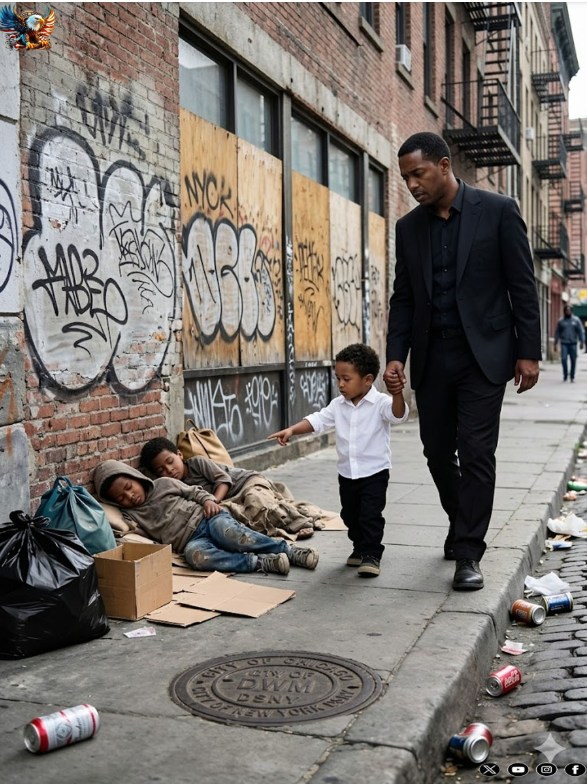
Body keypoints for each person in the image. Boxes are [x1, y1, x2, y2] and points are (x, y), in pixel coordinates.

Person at [383, 132, 541, 591]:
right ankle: (461, 518)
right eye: (406, 178)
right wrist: (396, 356)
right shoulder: (408, 228)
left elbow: (522, 286)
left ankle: (469, 551)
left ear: (444, 165)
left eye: (418, 174)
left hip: (483, 357)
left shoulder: (499, 211)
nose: (412, 184)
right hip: (433, 357)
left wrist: (528, 352)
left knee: (476, 452)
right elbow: (403, 298)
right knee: (436, 451)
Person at [268, 343, 408, 578]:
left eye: (346, 379)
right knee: (350, 515)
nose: (341, 384)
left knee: (370, 515)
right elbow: (317, 421)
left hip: (375, 473)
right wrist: (292, 430)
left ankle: (371, 554)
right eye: (338, 378)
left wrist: (397, 394)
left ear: (367, 380)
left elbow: (397, 415)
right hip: (347, 473)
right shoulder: (338, 405)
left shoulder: (381, 403)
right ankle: (358, 547)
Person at [93, 459, 319, 576]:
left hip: (208, 519)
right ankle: (261, 563)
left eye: (128, 487)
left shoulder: (164, 484)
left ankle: (288, 551)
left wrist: (209, 501)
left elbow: (195, 492)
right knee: (196, 557)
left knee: (232, 535)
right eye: (120, 498)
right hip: (190, 541)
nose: (129, 496)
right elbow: (128, 529)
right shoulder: (131, 514)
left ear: (135, 477)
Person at [139, 438, 320, 539]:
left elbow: (224, 480)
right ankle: (281, 523)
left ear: (179, 454)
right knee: (238, 520)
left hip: (246, 483)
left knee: (256, 501)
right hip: (231, 501)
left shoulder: (197, 463)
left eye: (170, 461)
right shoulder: (175, 485)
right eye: (161, 470)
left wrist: (215, 501)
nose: (169, 470)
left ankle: (299, 522)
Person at [554, 304, 585, 382]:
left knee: (573, 360)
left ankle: (572, 376)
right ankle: (565, 374)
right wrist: (555, 343)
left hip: (573, 343)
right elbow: (557, 333)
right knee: (564, 359)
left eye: (569, 310)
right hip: (564, 343)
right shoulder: (561, 321)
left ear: (571, 311)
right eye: (566, 310)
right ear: (564, 311)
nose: (568, 311)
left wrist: (582, 341)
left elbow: (580, 331)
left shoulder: (576, 320)